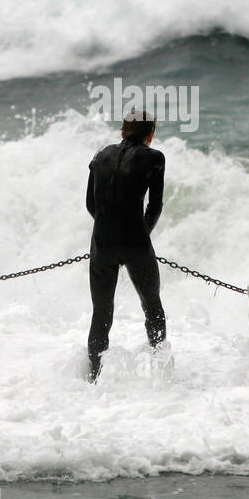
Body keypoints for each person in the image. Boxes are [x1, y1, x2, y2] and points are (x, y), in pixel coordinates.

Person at [85, 110, 168, 381]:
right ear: (150, 133)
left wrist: (109, 229)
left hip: (102, 244)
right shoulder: (154, 158)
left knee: (101, 313)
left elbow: (91, 205)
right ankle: (159, 369)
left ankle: (94, 376)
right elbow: (155, 205)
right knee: (152, 305)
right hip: (135, 243)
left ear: (123, 130)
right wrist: (139, 234)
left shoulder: (99, 156)